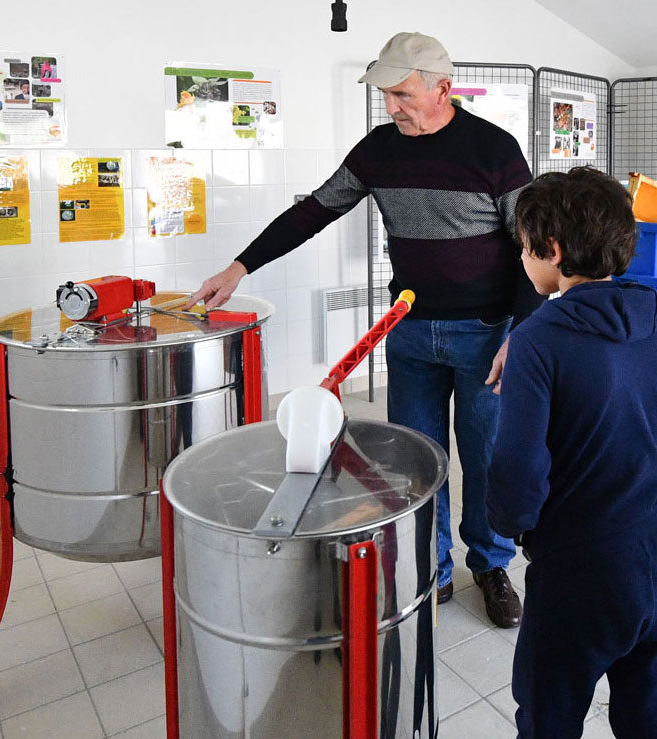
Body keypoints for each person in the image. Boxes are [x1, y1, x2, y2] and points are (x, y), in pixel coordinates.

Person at [186, 31, 542, 628]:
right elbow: (313, 211)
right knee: (415, 461)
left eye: (403, 94)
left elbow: (530, 244)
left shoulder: (495, 149)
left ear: (442, 89)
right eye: (385, 95)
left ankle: (491, 565)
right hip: (407, 333)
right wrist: (240, 265)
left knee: (484, 459)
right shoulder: (378, 149)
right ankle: (434, 566)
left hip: (485, 335)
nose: (392, 106)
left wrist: (521, 335)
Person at [486, 167, 657, 736]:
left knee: (549, 712)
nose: (522, 261)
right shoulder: (653, 313)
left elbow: (517, 468)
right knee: (646, 710)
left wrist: (514, 526)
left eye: (524, 248)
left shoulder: (536, 339)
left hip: (581, 569)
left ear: (552, 249)